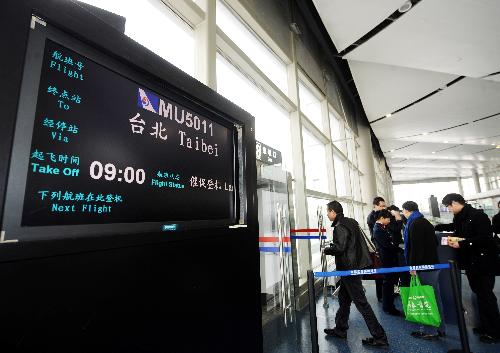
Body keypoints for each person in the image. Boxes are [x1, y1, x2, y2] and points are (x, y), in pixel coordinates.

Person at [435, 193, 500, 343]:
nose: (449, 210)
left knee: (487, 297)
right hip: (471, 263)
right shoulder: (460, 217)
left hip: (484, 263)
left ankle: (495, 332)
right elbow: (458, 229)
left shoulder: (478, 216)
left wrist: (463, 244)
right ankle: (485, 326)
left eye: (449, 207)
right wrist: (440, 227)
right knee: (479, 295)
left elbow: (485, 238)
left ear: (454, 203)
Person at [323, 201, 388, 347]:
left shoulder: (339, 226)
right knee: (344, 300)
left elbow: (340, 248)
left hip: (348, 269)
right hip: (355, 266)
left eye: (328, 212)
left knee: (361, 303)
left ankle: (380, 336)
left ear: (333, 212)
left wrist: (328, 250)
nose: (327, 214)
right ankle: (340, 329)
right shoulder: (351, 221)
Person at [402, 201, 446, 340]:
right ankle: (440, 328)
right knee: (433, 297)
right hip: (432, 265)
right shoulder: (423, 221)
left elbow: (416, 248)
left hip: (424, 266)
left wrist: (413, 266)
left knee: (426, 298)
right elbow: (434, 242)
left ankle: (431, 331)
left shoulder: (414, 224)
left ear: (406, 210)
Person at [372, 209, 402, 316]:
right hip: (386, 259)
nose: (389, 221)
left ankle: (389, 305)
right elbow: (387, 245)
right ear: (381, 218)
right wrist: (398, 249)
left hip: (389, 257)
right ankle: (388, 307)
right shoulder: (378, 229)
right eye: (388, 218)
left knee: (389, 283)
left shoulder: (381, 227)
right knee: (388, 283)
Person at [367, 196, 387, 302]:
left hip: (381, 245)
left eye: (384, 206)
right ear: (375, 206)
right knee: (379, 272)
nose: (383, 208)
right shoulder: (372, 217)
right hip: (378, 247)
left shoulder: (380, 214)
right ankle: (380, 296)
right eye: (381, 206)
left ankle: (385, 293)